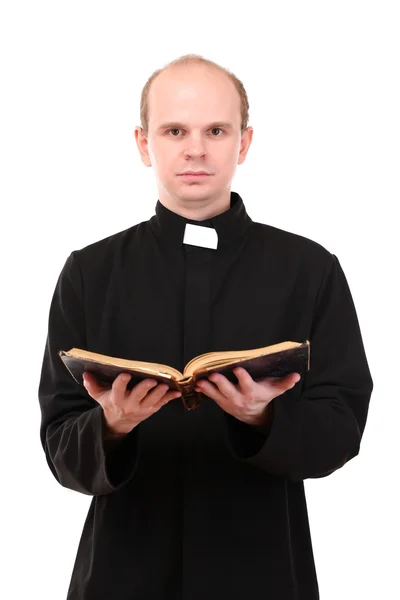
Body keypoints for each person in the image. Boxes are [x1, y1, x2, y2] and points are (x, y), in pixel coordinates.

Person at [38, 54, 373, 600]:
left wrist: (262, 418)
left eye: (216, 130)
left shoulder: (310, 269)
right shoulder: (89, 272)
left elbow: (342, 429)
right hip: (123, 572)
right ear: (145, 144)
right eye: (175, 130)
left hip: (264, 571)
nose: (196, 148)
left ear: (243, 143)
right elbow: (59, 447)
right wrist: (113, 426)